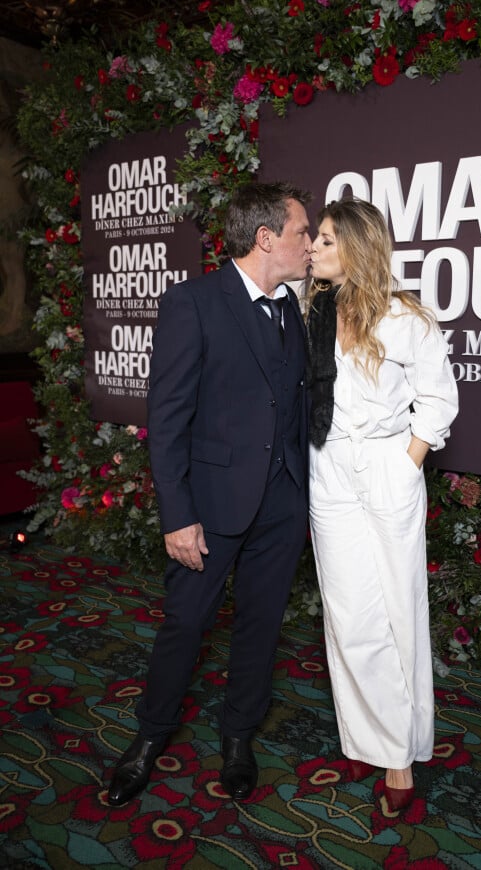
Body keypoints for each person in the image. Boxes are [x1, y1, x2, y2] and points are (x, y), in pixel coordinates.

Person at [108, 181, 312, 806]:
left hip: (282, 502)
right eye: (302, 232)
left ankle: (238, 739)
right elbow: (166, 419)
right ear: (266, 238)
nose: (310, 244)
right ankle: (148, 737)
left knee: (260, 626)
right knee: (186, 623)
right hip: (211, 506)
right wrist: (178, 515)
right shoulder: (192, 302)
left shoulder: (294, 310)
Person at [306, 198, 458, 812]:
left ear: (355, 248)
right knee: (349, 614)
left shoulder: (407, 319)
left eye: (323, 240)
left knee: (399, 607)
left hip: (390, 465)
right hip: (329, 468)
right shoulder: (311, 310)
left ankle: (401, 753)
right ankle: (376, 740)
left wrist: (409, 460)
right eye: (312, 239)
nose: (312, 249)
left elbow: (438, 398)